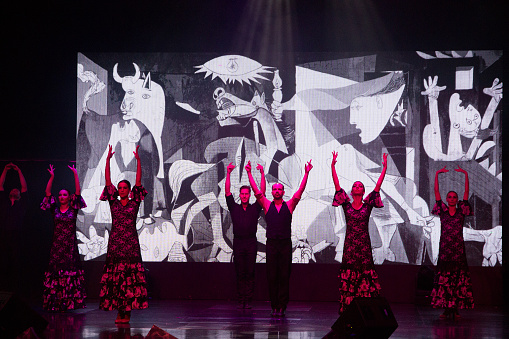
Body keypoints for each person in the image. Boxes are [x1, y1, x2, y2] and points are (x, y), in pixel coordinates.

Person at [246, 159, 312, 317]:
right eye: (274, 189)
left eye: (279, 189)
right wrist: (249, 173)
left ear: (283, 192)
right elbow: (256, 191)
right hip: (272, 245)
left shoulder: (289, 205)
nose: (276, 191)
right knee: (272, 276)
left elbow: (300, 191)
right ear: (272, 192)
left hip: (285, 245)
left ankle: (282, 305)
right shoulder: (267, 205)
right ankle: (274, 305)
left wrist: (307, 173)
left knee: (284, 275)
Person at [331, 151, 387, 315]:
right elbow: (337, 185)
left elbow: (378, 185)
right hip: (350, 247)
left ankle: (367, 308)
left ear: (363, 192)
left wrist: (384, 168)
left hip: (363, 246)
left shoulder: (368, 205)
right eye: (355, 185)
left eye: (360, 186)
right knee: (350, 276)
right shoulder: (346, 204)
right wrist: (333, 166)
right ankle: (348, 307)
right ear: (351, 190)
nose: (357, 187)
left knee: (365, 276)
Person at [99, 145, 148, 324]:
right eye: (119, 187)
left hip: (131, 246)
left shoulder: (135, 202)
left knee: (129, 279)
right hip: (116, 245)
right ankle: (120, 310)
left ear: (128, 190)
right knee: (117, 279)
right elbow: (107, 181)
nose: (121, 189)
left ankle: (127, 311)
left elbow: (138, 182)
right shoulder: (113, 202)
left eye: (123, 187)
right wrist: (107, 161)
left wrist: (139, 161)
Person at [41, 164, 87, 311]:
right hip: (57, 247)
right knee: (56, 272)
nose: (61, 197)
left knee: (70, 272)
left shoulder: (73, 208)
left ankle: (70, 301)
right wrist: (52, 177)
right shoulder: (54, 208)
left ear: (69, 197)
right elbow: (48, 193)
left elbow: (78, 192)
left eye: (64, 194)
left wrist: (75, 174)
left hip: (70, 247)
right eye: (60, 195)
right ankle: (55, 300)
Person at [430, 165, 474, 319]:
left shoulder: (462, 210)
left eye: (454, 197)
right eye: (449, 197)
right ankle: (446, 309)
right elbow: (436, 192)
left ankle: (455, 309)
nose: (452, 199)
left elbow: (466, 193)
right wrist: (437, 174)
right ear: (447, 199)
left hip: (458, 251)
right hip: (445, 249)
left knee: (456, 280)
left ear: (457, 200)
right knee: (445, 280)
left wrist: (465, 174)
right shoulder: (442, 209)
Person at [225, 162, 266, 309]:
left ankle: (248, 299)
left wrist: (261, 174)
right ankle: (241, 299)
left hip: (250, 242)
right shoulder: (234, 208)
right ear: (240, 196)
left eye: (246, 194)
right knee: (240, 271)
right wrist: (228, 173)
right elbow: (227, 192)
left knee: (250, 271)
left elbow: (261, 192)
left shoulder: (255, 208)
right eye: (242, 194)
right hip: (238, 242)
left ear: (249, 195)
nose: (244, 196)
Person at [0, 163, 28, 291]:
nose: (14, 190)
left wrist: (19, 170)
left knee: (16, 262)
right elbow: (0, 185)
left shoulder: (21, 204)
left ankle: (16, 289)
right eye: (12, 189)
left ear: (20, 196)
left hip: (17, 235)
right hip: (4, 235)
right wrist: (5, 170)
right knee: (4, 262)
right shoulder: (4, 203)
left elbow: (23, 186)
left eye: (17, 190)